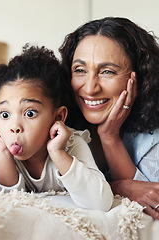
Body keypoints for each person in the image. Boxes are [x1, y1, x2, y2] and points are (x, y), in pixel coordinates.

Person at [0, 45, 113, 211]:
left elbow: (101, 203)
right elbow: (7, 203)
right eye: (5, 115)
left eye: (30, 113)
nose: (14, 127)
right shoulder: (0, 148)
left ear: (58, 117)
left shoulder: (71, 145)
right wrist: (3, 154)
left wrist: (58, 153)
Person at [59, 16, 159, 220]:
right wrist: (118, 187)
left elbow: (151, 202)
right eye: (80, 70)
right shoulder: (60, 130)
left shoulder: (153, 138)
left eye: (107, 71)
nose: (90, 88)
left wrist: (109, 136)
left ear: (139, 76)